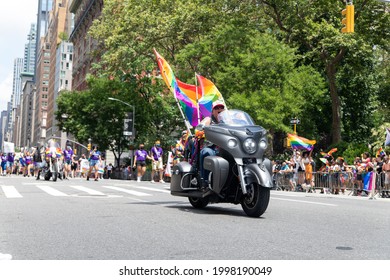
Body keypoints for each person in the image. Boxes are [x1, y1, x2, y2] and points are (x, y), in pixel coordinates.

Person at [197, 100, 225, 188]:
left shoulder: (228, 122)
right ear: (212, 111)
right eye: (216, 108)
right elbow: (198, 129)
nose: (219, 109)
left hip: (225, 148)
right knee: (207, 153)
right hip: (211, 147)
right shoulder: (208, 120)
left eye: (221, 108)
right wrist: (201, 129)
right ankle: (205, 181)